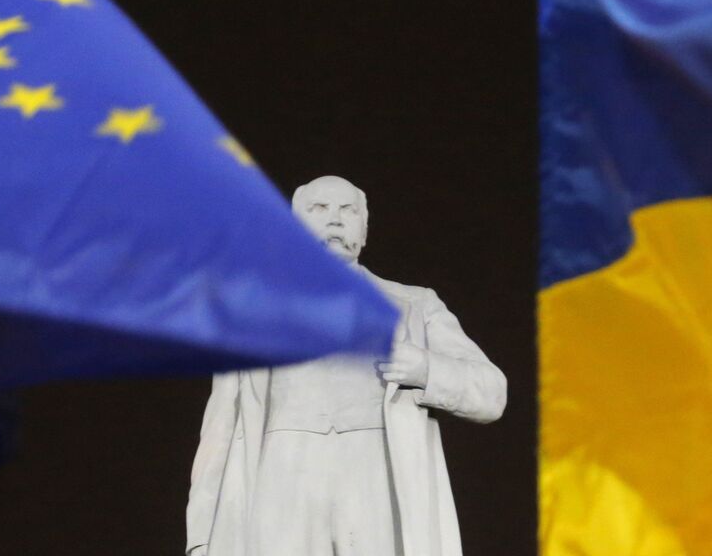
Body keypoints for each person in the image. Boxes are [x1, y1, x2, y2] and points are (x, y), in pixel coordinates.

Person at [185, 176, 506, 556]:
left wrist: (425, 369)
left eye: (347, 210)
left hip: (375, 477)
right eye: (319, 209)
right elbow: (219, 428)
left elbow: (492, 392)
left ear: (364, 228)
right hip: (281, 478)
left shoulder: (415, 306)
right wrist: (202, 535)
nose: (335, 219)